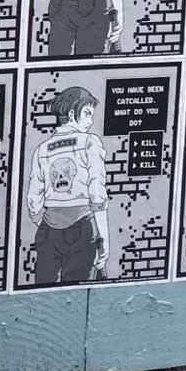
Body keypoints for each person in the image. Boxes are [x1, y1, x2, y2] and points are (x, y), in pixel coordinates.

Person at [26, 86, 109, 284]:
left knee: (44, 294)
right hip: (82, 225)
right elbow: (97, 192)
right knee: (76, 293)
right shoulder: (90, 142)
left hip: (49, 228)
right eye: (87, 113)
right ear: (72, 113)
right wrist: (103, 237)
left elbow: (33, 199)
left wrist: (44, 221)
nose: (90, 121)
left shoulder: (42, 149)